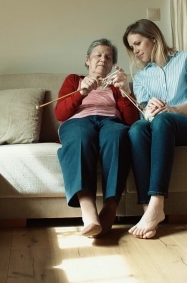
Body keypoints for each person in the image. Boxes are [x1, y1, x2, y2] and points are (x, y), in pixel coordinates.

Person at [123, 19, 187, 239]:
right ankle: (147, 210)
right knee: (136, 129)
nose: (135, 51)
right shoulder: (142, 76)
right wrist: (149, 111)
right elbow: (144, 113)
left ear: (153, 38)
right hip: (161, 127)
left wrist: (172, 109)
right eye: (132, 47)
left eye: (138, 43)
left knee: (164, 120)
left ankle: (157, 202)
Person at [55, 38, 139, 238]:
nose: (103, 59)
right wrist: (81, 92)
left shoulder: (116, 86)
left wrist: (125, 90)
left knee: (118, 136)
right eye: (98, 55)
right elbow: (60, 114)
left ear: (112, 64)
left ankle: (110, 208)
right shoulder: (74, 80)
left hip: (110, 121)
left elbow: (131, 119)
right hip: (79, 121)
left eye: (108, 57)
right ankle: (89, 211)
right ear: (87, 60)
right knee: (81, 137)